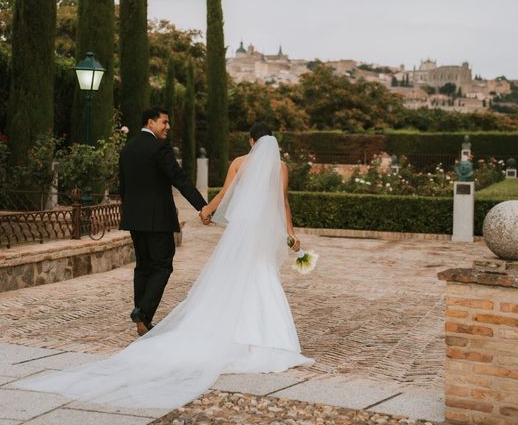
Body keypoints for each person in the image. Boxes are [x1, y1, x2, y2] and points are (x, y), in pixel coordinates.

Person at [17, 121, 313, 409]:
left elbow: (225, 194)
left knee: (233, 277)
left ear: (251, 142)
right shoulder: (280, 167)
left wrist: (206, 210)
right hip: (262, 231)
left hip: (243, 230)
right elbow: (282, 202)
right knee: (263, 277)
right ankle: (267, 339)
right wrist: (291, 234)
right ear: (270, 143)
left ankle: (223, 330)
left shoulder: (238, 162)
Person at [118, 107, 210, 336]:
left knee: (143, 266)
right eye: (164, 122)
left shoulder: (128, 149)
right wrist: (202, 206)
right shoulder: (159, 147)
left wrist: (129, 212)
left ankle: (141, 314)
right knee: (162, 266)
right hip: (158, 219)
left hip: (134, 218)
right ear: (151, 123)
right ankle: (143, 313)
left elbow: (123, 187)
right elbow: (179, 179)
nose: (168, 127)